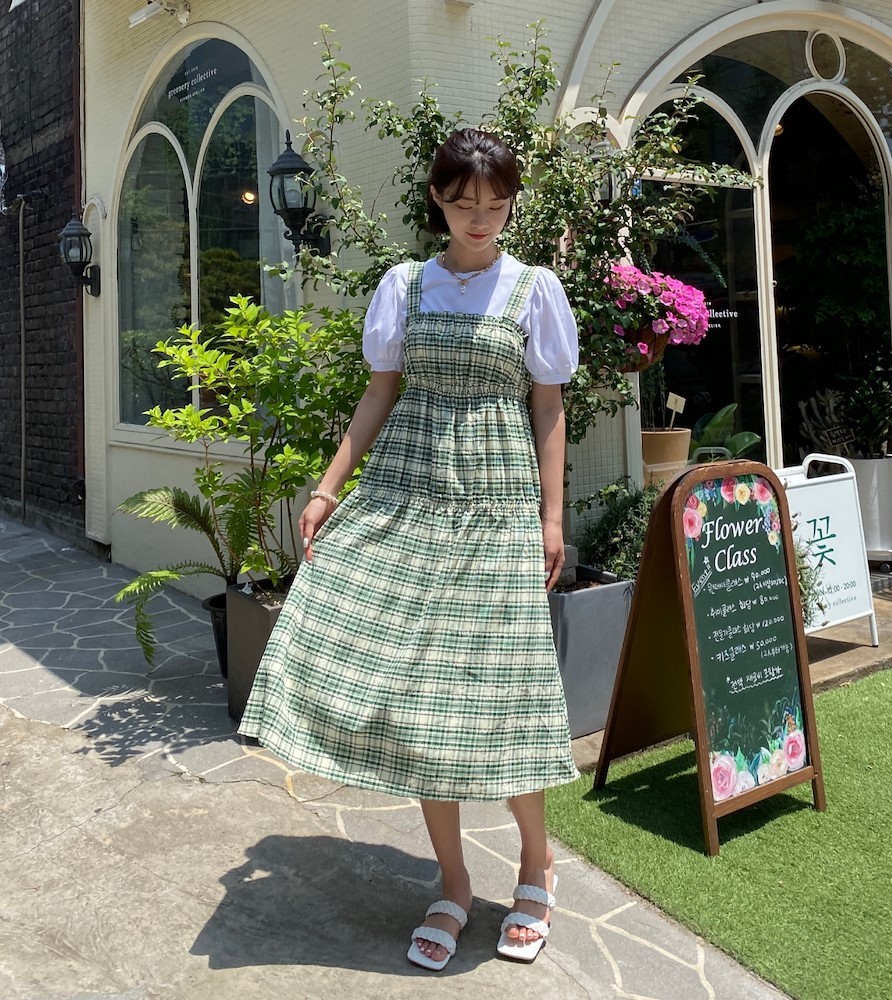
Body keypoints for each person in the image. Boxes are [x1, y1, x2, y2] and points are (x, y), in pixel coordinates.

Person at [238, 128, 580, 971]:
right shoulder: (405, 285)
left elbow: (548, 407)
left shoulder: (533, 289)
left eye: (495, 205)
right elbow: (378, 394)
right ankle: (454, 882)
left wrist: (551, 518)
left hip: (498, 506)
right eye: (464, 204)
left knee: (505, 695)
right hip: (408, 492)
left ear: (512, 203)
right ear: (437, 199)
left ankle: (535, 866)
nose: (480, 219)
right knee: (418, 701)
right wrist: (327, 489)